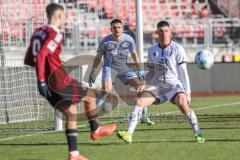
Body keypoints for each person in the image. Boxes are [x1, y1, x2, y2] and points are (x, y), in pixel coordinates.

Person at [24, 3, 116, 160]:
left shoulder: (37, 33)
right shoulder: (56, 33)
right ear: (59, 15)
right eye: (63, 16)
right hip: (59, 80)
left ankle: (74, 154)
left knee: (71, 112)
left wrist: (42, 77)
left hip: (47, 82)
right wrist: (43, 78)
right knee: (90, 95)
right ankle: (96, 129)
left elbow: (29, 59)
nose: (63, 19)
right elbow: (41, 55)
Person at [117, 20, 205, 143]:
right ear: (156, 33)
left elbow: (183, 72)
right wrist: (144, 84)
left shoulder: (178, 49)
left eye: (166, 31)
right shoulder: (152, 50)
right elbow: (151, 71)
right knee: (139, 101)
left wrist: (188, 92)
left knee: (183, 104)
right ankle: (129, 134)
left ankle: (198, 133)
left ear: (170, 32)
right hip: (157, 87)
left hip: (174, 86)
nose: (164, 34)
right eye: (161, 31)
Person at [88, 19, 154, 125]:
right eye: (114, 27)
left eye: (119, 27)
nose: (117, 29)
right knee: (106, 90)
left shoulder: (129, 40)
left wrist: (140, 70)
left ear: (122, 29)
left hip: (124, 68)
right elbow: (98, 57)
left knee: (141, 87)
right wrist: (93, 72)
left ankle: (144, 116)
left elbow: (134, 55)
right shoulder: (105, 41)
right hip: (109, 68)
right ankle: (93, 117)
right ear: (110, 29)